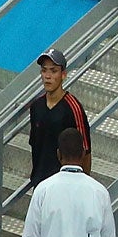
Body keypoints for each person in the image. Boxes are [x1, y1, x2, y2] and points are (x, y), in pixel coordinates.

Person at [27, 48, 91, 185]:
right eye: (44, 70)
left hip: (66, 186)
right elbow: (35, 147)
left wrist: (83, 186)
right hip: (40, 184)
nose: (48, 76)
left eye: (53, 71)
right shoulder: (36, 107)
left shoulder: (74, 108)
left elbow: (85, 151)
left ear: (63, 75)